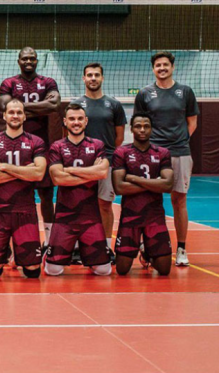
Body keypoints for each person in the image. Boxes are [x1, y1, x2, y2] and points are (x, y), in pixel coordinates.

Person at [134, 51, 199, 266]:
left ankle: (181, 249)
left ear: (172, 67)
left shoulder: (185, 92)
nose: (162, 68)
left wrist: (180, 141)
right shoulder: (144, 94)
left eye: (165, 65)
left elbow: (192, 122)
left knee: (179, 200)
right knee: (149, 201)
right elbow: (139, 124)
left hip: (180, 152)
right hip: (152, 154)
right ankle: (148, 247)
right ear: (153, 69)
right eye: (158, 65)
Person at [0, 47, 60, 247]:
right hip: (14, 146)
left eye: (32, 58)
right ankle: (9, 242)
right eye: (25, 58)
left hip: (41, 145)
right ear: (19, 61)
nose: (29, 61)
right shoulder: (9, 83)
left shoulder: (48, 82)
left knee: (46, 195)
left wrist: (18, 108)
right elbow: (2, 108)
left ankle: (50, 242)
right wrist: (40, 107)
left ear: (37, 60)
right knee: (13, 193)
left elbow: (54, 106)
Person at [0, 99, 47, 279]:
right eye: (11, 112)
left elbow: (39, 174)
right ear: (4, 116)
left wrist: (4, 167)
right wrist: (25, 171)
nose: (15, 115)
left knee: (32, 270)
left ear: (25, 116)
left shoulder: (36, 141)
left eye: (19, 112)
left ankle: (18, 257)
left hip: (25, 210)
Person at [44, 104, 111, 276]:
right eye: (72, 119)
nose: (76, 122)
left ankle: (87, 255)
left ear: (86, 121)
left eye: (80, 118)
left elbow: (103, 172)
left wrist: (69, 170)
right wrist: (91, 173)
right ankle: (50, 255)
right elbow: (58, 179)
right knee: (53, 270)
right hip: (64, 217)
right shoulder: (57, 146)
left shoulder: (97, 145)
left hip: (90, 216)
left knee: (104, 270)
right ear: (65, 121)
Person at [71, 63, 126, 263]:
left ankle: (105, 247)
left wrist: (105, 155)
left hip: (106, 162)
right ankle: (78, 247)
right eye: (89, 75)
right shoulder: (76, 105)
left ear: (102, 78)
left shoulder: (114, 105)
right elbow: (68, 134)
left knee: (104, 205)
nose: (93, 78)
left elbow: (119, 137)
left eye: (96, 75)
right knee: (80, 205)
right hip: (81, 162)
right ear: (83, 78)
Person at [112, 113, 174, 276]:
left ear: (151, 129)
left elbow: (168, 185)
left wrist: (133, 178)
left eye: (146, 126)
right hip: (130, 216)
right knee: (122, 269)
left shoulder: (162, 152)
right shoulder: (121, 152)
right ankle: (143, 247)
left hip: (154, 216)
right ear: (131, 129)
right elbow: (119, 188)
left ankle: (148, 253)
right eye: (138, 126)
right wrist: (154, 184)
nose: (142, 130)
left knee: (164, 270)